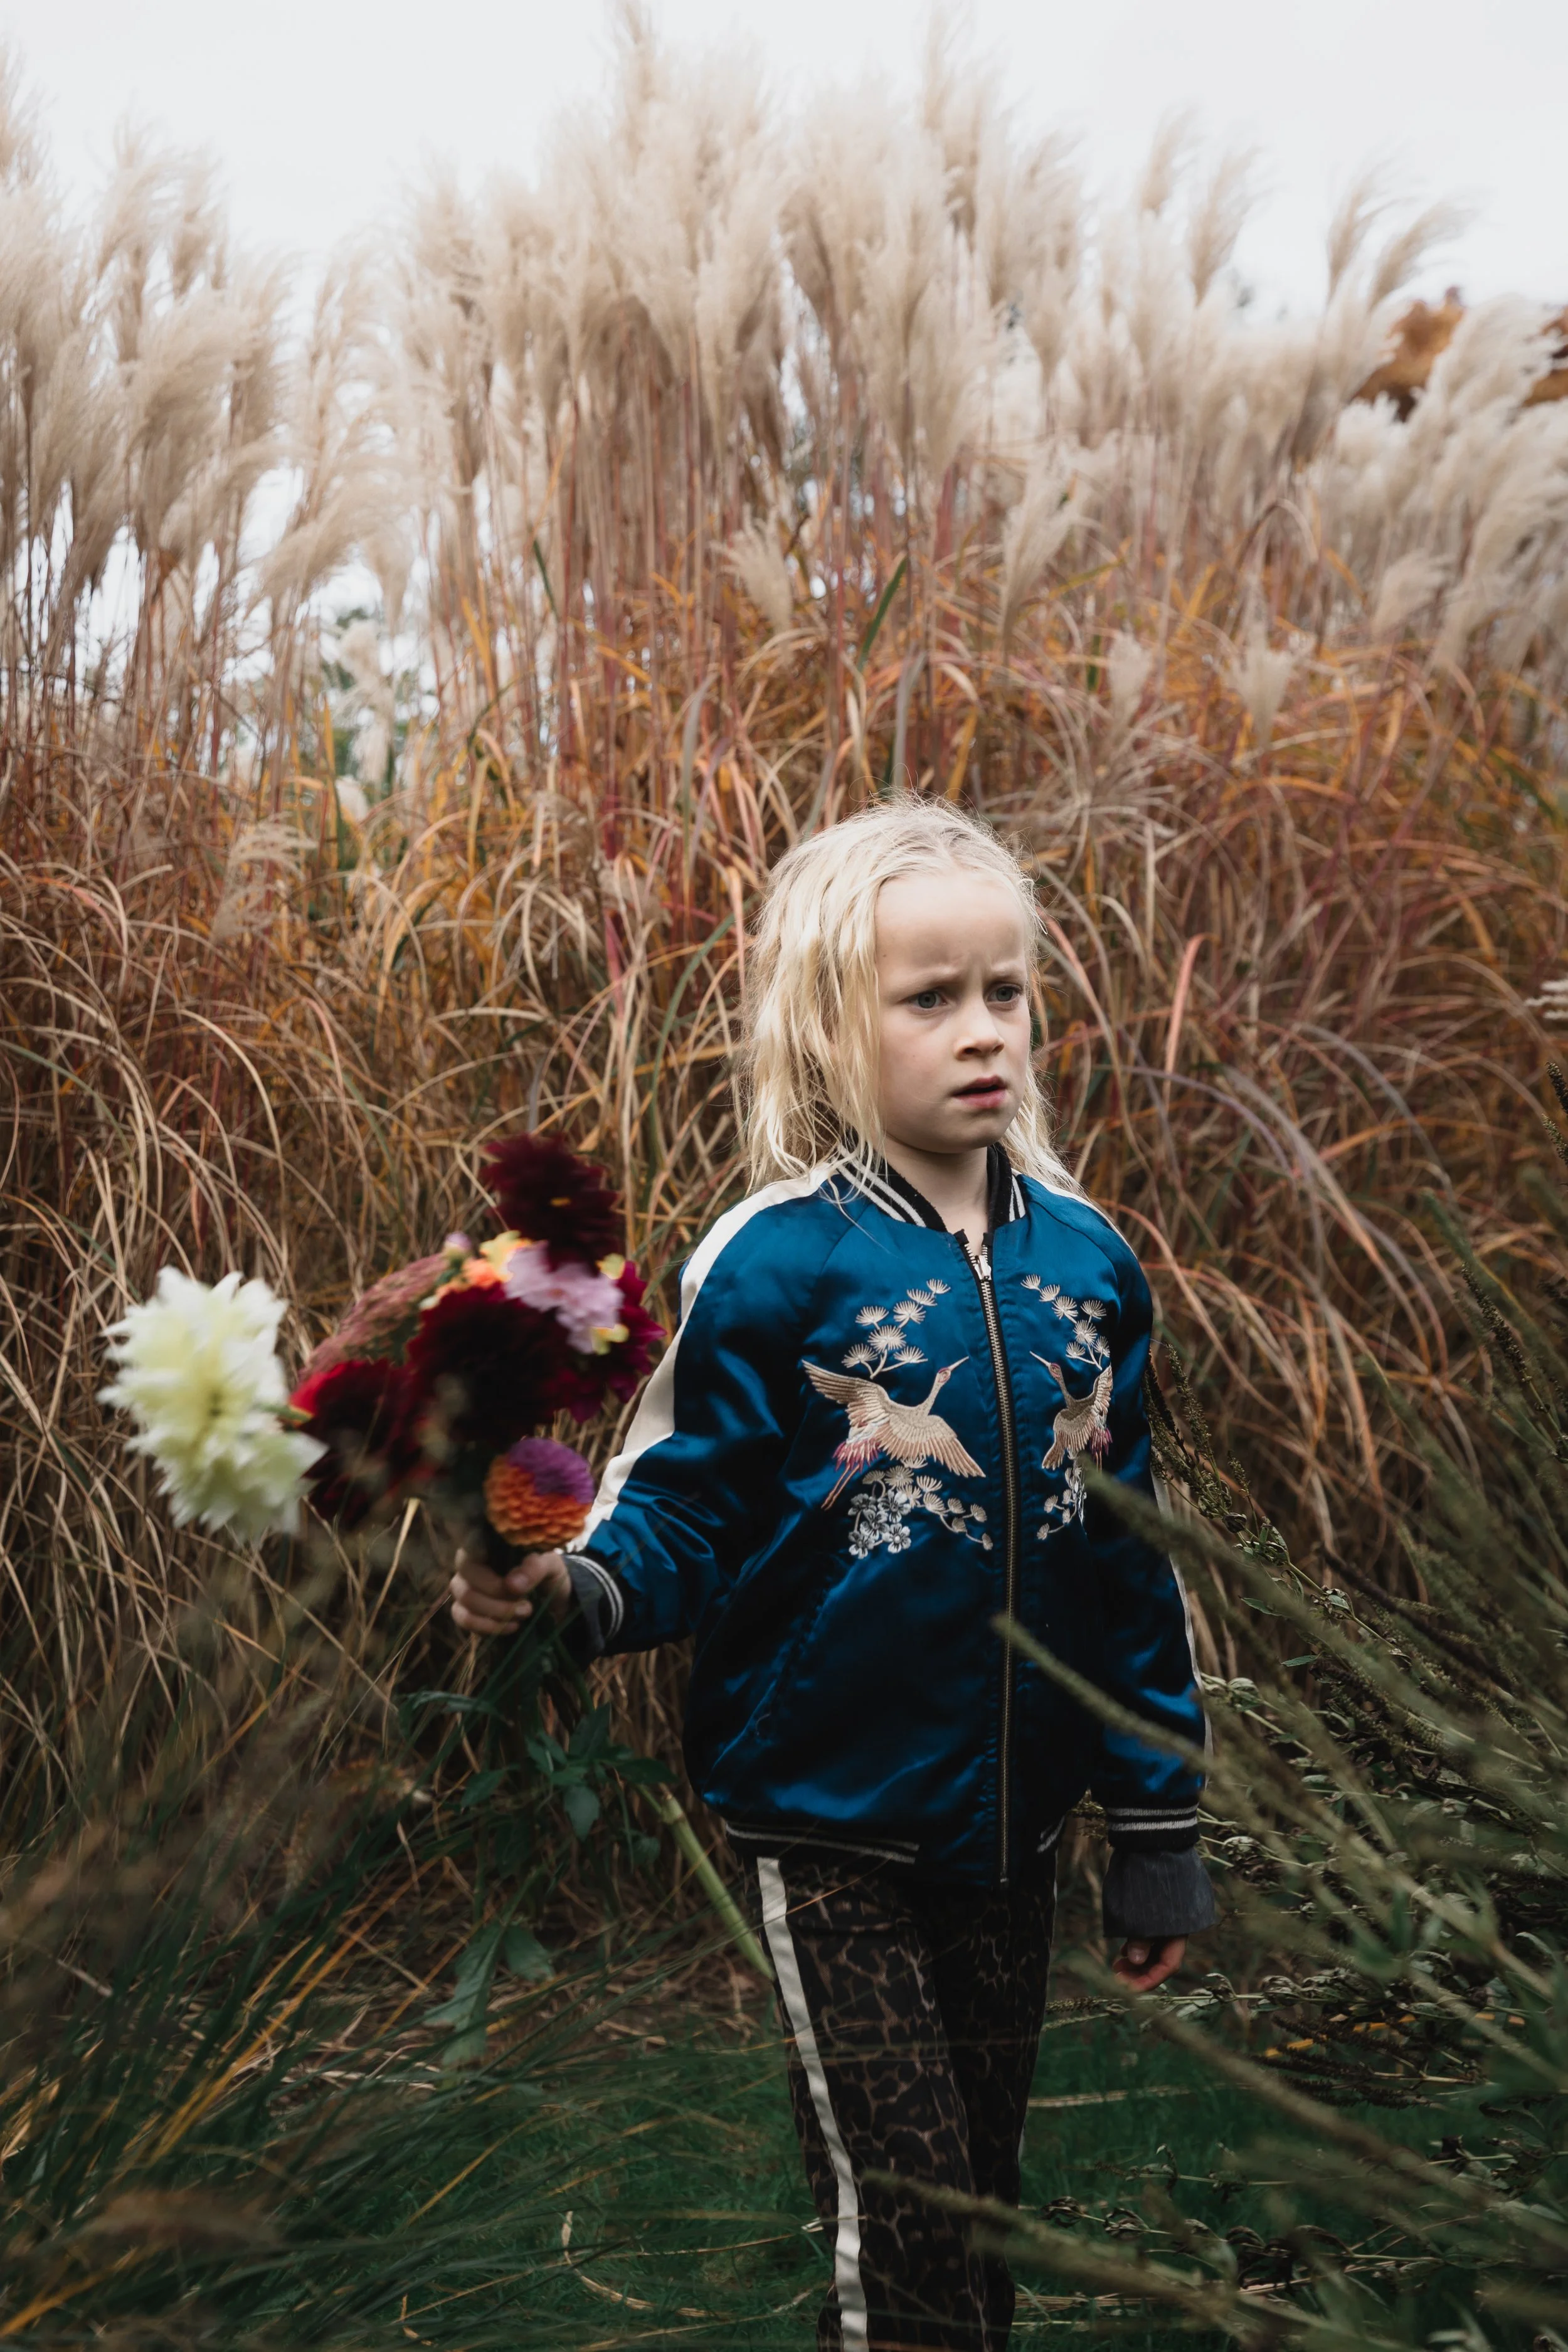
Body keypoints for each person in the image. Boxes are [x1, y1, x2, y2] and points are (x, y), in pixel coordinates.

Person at [451, 797, 1215, 2351]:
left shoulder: (1088, 1266)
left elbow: (1126, 1560)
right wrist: (573, 1593)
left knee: (977, 2218)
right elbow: (685, 1510)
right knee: (908, 2229)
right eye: (928, 998)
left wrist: (1155, 1822)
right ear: (826, 1024)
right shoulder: (776, 1263)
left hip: (1015, 1825)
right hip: (824, 1815)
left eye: (1003, 992)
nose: (980, 1029)